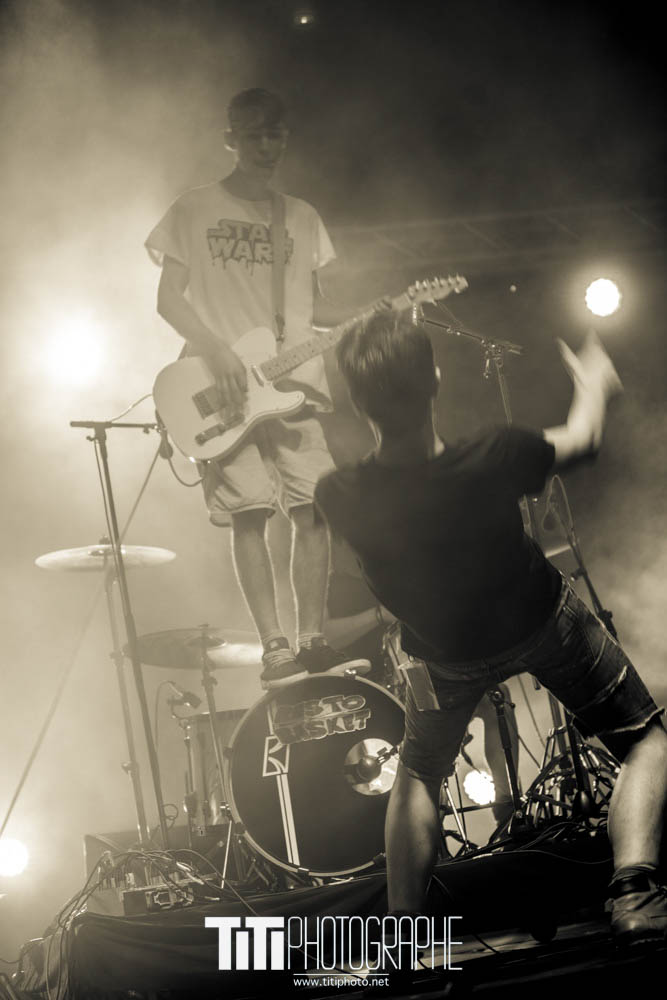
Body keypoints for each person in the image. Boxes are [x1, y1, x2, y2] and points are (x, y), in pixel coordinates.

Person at [314, 310, 667, 945]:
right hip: (542, 623)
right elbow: (584, 440)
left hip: (443, 655)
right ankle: (634, 891)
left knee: (418, 776)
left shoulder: (338, 493)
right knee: (646, 740)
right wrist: (594, 381)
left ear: (357, 401)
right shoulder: (494, 454)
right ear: (437, 380)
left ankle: (403, 939)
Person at [145, 88, 367, 688]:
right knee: (250, 513)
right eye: (255, 135)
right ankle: (276, 650)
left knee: (313, 508)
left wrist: (378, 312)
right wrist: (215, 349)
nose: (268, 146)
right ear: (231, 139)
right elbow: (168, 298)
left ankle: (313, 642)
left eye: (277, 135)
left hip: (294, 381)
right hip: (225, 385)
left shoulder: (302, 216)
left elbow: (317, 309)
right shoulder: (192, 209)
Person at [324, 538, 520, 828]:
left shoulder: (391, 568)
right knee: (423, 743)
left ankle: (509, 810)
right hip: (372, 695)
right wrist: (377, 615)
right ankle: (429, 833)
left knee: (495, 699)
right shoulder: (328, 586)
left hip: (422, 675)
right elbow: (327, 635)